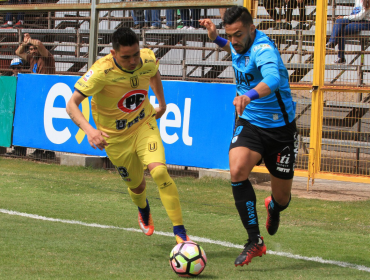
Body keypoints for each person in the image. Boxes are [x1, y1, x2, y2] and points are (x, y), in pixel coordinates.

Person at [66, 27, 190, 244]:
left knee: (159, 172)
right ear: (113, 54)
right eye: (126, 57)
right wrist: (90, 131)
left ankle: (180, 233)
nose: (133, 61)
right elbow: (71, 104)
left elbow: (153, 74)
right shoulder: (101, 72)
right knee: (137, 186)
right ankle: (143, 208)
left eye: (135, 54)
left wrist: (162, 103)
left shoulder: (147, 58)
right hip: (114, 139)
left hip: (144, 124)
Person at [200, 6, 297, 267]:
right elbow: (229, 47)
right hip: (250, 122)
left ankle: (274, 207)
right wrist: (214, 37)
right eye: (229, 35)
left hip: (280, 130)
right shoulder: (237, 42)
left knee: (282, 198)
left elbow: (274, 79)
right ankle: (255, 241)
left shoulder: (263, 49)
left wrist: (247, 95)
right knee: (237, 169)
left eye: (238, 35)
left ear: (252, 30)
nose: (233, 41)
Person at [15, 33, 56, 159]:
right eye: (30, 49)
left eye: (34, 49)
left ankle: (48, 151)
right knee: (36, 120)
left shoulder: (47, 56)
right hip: (36, 93)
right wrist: (25, 43)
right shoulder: (32, 58)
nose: (32, 51)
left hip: (47, 92)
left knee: (45, 121)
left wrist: (31, 40)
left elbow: (39, 44)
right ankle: (38, 150)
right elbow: (18, 52)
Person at [4, 58, 27, 157]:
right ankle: (15, 149)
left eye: (18, 67)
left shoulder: (26, 79)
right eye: (14, 68)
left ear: (22, 67)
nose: (17, 69)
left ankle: (20, 150)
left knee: (21, 127)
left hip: (22, 108)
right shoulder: (10, 79)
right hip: (12, 107)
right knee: (12, 127)